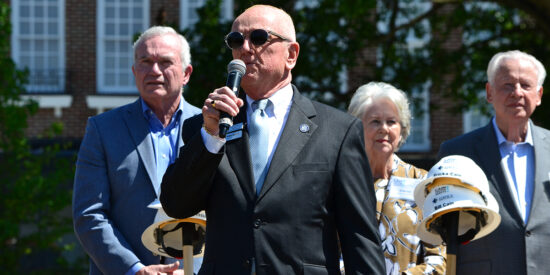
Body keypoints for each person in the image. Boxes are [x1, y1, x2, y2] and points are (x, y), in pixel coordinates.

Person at [160, 4, 385, 275]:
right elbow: (176, 204)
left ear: (291, 54)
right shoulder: (208, 127)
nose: (245, 48)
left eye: (258, 38)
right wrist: (210, 138)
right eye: (235, 40)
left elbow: (360, 238)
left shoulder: (337, 131)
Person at [72, 26, 201, 275]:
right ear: (134, 71)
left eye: (165, 62)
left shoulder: (211, 129)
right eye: (145, 61)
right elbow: (89, 214)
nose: (154, 71)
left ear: (186, 74)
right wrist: (134, 269)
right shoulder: (103, 130)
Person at [438, 50, 550, 275]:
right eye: (507, 85)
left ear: (538, 95)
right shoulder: (457, 153)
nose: (516, 93)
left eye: (525, 85)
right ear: (490, 93)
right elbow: (442, 231)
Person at [347, 82, 446, 275]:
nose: (384, 129)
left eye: (391, 122)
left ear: (402, 129)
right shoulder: (342, 182)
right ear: (357, 127)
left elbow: (440, 258)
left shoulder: (423, 182)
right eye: (375, 121)